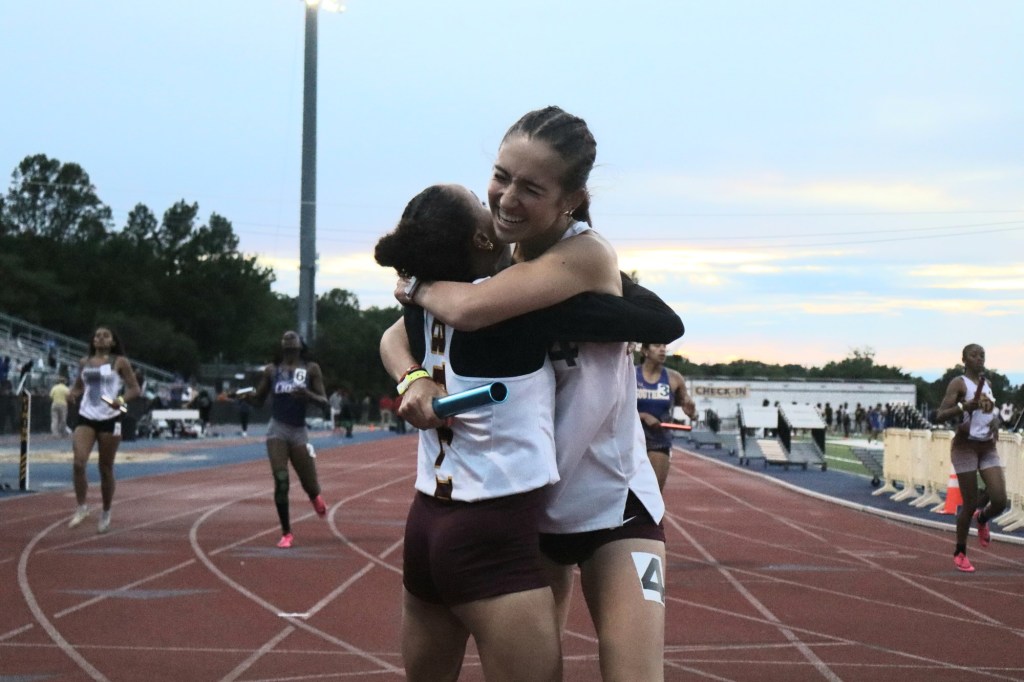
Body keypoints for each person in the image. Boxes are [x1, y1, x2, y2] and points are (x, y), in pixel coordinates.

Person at [389, 106, 675, 680]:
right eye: (501, 177)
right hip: (532, 511)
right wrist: (412, 376)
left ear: (571, 199)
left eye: (532, 188)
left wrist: (414, 283)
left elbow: (467, 309)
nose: (507, 198)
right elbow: (395, 335)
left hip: (613, 504)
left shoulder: (586, 254)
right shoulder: (495, 258)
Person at [248, 330, 329, 548]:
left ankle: (315, 496)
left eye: (294, 344)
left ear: (301, 347)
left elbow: (324, 402)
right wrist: (244, 396)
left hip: (299, 431)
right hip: (277, 429)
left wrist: (308, 395)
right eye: (287, 345)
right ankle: (286, 532)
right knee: (281, 479)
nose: (291, 347)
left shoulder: (311, 369)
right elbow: (258, 400)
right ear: (282, 348)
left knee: (310, 483)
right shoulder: (272, 370)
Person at [934, 343, 1007, 573]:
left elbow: (990, 412)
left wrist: (995, 421)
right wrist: (962, 407)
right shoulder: (959, 383)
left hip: (987, 446)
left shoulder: (988, 384)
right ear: (964, 359)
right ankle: (960, 551)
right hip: (965, 446)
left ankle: (983, 518)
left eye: (982, 355)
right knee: (969, 502)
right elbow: (940, 415)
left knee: (1000, 499)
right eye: (974, 355)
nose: (979, 358)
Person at [65, 326, 142, 533]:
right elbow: (79, 386)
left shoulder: (120, 362)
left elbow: (135, 388)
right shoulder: (85, 362)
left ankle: (106, 511)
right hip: (86, 416)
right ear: (93, 341)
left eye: (105, 335)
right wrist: (72, 393)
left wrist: (121, 400)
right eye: (97, 335)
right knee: (78, 462)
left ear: (113, 342)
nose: (100, 338)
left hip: (110, 418)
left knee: (105, 468)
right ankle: (82, 507)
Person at [636, 342, 697, 491]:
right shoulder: (630, 375)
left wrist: (692, 412)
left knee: (653, 494)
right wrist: (643, 416)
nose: (662, 349)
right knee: (627, 495)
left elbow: (691, 411)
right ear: (645, 350)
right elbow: (617, 410)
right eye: (657, 346)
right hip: (631, 440)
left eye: (664, 346)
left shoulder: (674, 378)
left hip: (658, 441)